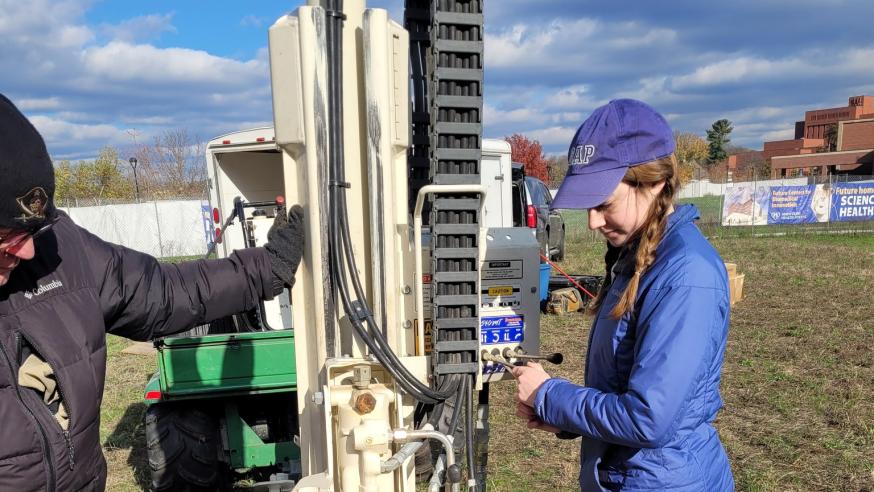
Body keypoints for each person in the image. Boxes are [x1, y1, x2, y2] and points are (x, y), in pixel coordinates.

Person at [0, 93, 305, 491]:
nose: (27, 250)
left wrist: (268, 266)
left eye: (32, 231)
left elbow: (163, 291)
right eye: (6, 234)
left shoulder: (59, 251)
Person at [512, 99, 734, 491]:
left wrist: (551, 395)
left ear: (655, 183)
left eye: (604, 203)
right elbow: (619, 390)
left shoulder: (685, 275)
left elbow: (648, 418)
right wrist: (563, 418)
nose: (593, 221)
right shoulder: (634, 259)